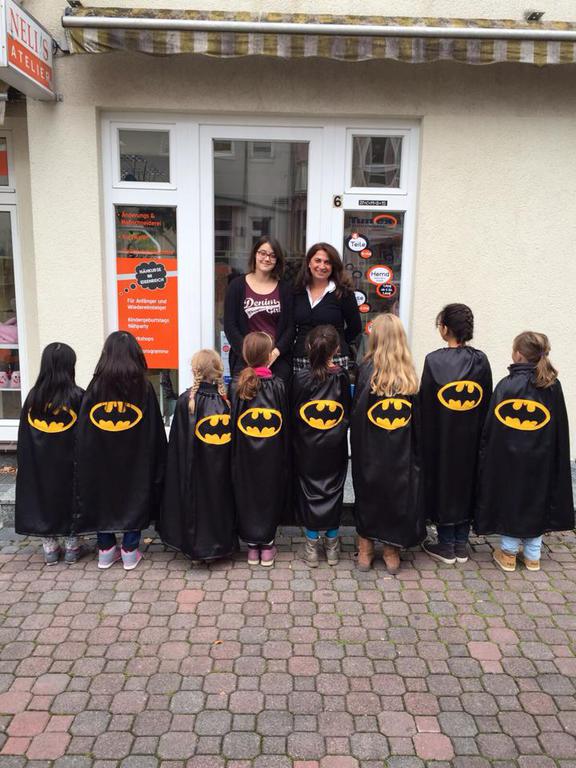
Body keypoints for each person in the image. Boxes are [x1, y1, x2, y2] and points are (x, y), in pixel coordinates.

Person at [475, 331, 574, 572]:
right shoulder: (552, 386)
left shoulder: (507, 385)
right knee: (536, 498)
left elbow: (492, 428)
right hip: (542, 457)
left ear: (518, 354)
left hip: (510, 458)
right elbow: (559, 426)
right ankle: (532, 556)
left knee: (511, 498)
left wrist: (488, 456)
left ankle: (508, 554)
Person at [74, 331, 167, 570]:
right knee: (135, 496)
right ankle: (129, 550)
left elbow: (84, 429)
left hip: (101, 457)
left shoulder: (95, 387)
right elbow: (154, 427)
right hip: (135, 457)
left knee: (102, 497)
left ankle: (105, 550)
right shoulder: (143, 387)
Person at [420, 303, 492, 565]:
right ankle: (461, 544)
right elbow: (487, 400)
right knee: (467, 484)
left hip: (442, 439)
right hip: (471, 438)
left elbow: (425, 404)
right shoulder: (481, 360)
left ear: (445, 328)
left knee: (444, 485)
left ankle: (446, 544)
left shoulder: (433, 360)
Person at [351, 313, 423, 573]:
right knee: (384, 493)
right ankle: (378, 548)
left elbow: (359, 415)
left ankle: (378, 547)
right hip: (386, 449)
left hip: (385, 449)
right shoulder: (390, 372)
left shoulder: (383, 372)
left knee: (381, 494)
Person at [160, 350, 237, 563]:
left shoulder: (186, 401)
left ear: (195, 370)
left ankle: (195, 548)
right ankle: (220, 546)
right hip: (219, 470)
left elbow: (178, 442)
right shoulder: (226, 402)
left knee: (195, 504)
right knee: (219, 503)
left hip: (192, 469)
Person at [15, 343, 85, 565]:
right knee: (71, 499)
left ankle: (50, 548)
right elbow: (85, 433)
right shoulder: (78, 396)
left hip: (40, 461)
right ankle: (72, 546)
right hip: (69, 463)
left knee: (43, 499)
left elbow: (24, 434)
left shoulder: (33, 398)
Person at [291, 325, 350, 567]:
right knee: (334, 490)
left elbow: (294, 412)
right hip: (334, 443)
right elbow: (346, 409)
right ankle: (332, 546)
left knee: (309, 491)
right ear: (336, 350)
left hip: (307, 445)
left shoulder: (301, 378)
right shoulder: (342, 376)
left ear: (308, 347)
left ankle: (312, 546)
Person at [231, 331, 289, 567]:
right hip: (271, 454)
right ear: (268, 356)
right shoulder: (278, 386)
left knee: (248, 494)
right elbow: (284, 422)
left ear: (245, 356)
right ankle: (267, 546)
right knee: (268, 494)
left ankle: (252, 549)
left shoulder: (237, 386)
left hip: (244, 455)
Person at [224, 236, 294, 383]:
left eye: (272, 255)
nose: (267, 259)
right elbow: (230, 325)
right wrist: (249, 354)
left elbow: (290, 327)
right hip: (244, 360)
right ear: (255, 254)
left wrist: (275, 353)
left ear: (277, 260)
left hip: (277, 361)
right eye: (263, 253)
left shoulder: (285, 289)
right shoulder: (236, 286)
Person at [293, 243, 362, 371]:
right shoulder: (298, 291)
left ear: (333, 266)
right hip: (302, 359)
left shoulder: (343, 292)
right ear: (309, 263)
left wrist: (337, 343)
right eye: (318, 261)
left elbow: (355, 327)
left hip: (334, 359)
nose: (322, 266)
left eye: (327, 262)